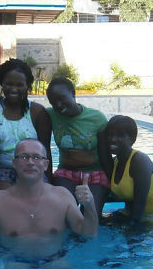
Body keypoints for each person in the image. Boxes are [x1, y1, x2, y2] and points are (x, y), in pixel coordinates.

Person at [0, 138, 98, 256]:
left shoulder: (63, 197)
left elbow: (88, 233)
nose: (30, 162)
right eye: (24, 157)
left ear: (46, 164)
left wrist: (89, 205)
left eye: (37, 157)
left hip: (54, 259)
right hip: (12, 260)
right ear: (14, 163)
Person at [0, 58, 52, 194]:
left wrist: (50, 183)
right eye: (9, 84)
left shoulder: (37, 112)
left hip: (33, 169)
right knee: (7, 198)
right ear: (1, 83)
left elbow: (46, 150)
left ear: (28, 85)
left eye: (20, 85)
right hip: (2, 171)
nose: (14, 89)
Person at [46, 77, 111, 215]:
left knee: (91, 214)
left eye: (61, 98)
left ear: (73, 93)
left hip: (95, 173)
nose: (58, 105)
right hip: (66, 173)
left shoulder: (96, 118)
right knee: (64, 212)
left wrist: (114, 182)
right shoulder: (50, 115)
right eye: (53, 102)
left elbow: (105, 154)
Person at [105, 115, 153, 222]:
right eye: (110, 134)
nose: (113, 139)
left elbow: (140, 204)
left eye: (120, 135)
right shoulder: (115, 162)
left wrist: (130, 228)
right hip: (138, 215)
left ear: (132, 139)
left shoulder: (139, 161)